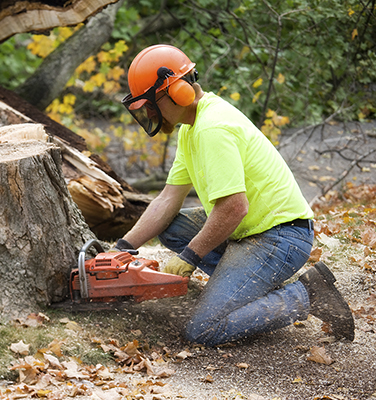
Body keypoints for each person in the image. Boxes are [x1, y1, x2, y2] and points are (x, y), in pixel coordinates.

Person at [114, 44, 355, 347]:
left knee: (203, 330)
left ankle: (308, 294)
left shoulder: (211, 128)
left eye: (151, 104)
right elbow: (167, 200)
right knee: (172, 227)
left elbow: (234, 208)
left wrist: (190, 255)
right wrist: (122, 248)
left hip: (280, 236)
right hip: (251, 229)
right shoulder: (191, 127)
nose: (149, 113)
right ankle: (249, 288)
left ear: (177, 92)